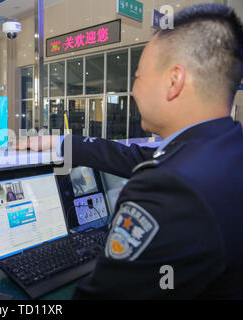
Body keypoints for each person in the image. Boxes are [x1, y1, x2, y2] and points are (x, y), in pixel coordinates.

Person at [19, 4, 243, 299]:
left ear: (174, 81)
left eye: (137, 77)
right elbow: (137, 158)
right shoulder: (225, 148)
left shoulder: (168, 189)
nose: (134, 91)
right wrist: (59, 142)